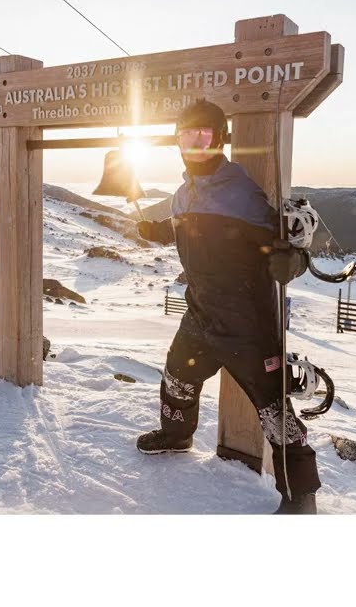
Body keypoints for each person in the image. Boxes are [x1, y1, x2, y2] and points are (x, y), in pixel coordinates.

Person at [135, 99, 320, 514]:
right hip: (199, 314)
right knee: (177, 378)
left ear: (219, 139)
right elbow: (186, 228)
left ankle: (301, 494)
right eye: (186, 137)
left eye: (203, 137)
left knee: (273, 408)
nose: (194, 147)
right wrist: (156, 230)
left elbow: (285, 241)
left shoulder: (242, 193)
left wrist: (289, 259)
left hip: (247, 324)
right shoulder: (184, 194)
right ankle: (177, 435)